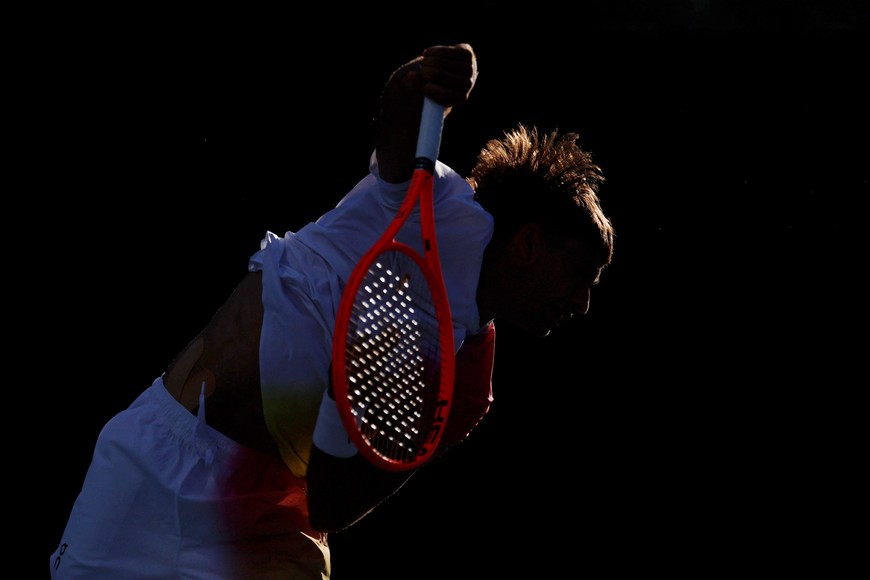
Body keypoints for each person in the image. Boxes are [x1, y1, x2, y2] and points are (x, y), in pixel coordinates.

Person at [50, 42, 615, 579]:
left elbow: (334, 504)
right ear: (528, 245)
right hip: (145, 467)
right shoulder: (433, 201)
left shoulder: (467, 383)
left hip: (267, 533)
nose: (582, 303)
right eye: (580, 276)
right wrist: (431, 73)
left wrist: (340, 404)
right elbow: (401, 112)